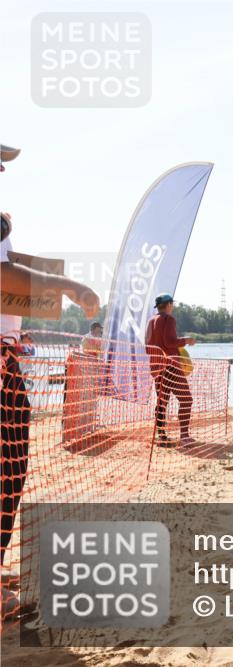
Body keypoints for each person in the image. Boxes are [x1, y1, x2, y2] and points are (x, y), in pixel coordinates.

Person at [2, 154, 101, 613]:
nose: (2, 169)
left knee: (12, 466)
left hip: (6, 357)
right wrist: (66, 283)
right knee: (8, 468)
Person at [145, 293, 196, 447]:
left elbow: (148, 348)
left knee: (162, 401)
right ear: (168, 305)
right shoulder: (169, 319)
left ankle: (161, 435)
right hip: (171, 366)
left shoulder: (151, 321)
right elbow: (170, 341)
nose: (172, 307)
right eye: (172, 304)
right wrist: (186, 340)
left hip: (156, 368)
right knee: (187, 399)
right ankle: (185, 436)